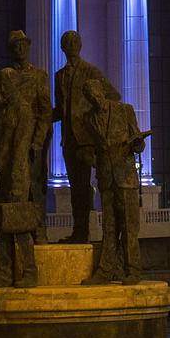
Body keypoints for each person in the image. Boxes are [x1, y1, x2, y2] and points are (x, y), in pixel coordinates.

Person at [0, 30, 51, 288]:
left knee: (20, 209)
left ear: (28, 46)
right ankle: (4, 273)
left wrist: (37, 143)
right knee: (2, 213)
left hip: (25, 152)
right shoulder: (5, 77)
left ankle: (29, 271)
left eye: (23, 45)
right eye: (15, 46)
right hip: (5, 150)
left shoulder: (38, 77)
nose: (20, 49)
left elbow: (45, 114)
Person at [53, 30, 119, 244]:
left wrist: (94, 118)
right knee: (76, 189)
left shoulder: (91, 71)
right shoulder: (60, 76)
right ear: (62, 47)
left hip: (88, 140)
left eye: (75, 42)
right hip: (69, 140)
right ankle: (79, 231)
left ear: (80, 46)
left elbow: (112, 96)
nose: (71, 46)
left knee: (92, 187)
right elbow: (61, 109)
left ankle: (94, 232)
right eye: (67, 43)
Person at [79, 78, 146, 284]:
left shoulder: (124, 110)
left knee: (128, 226)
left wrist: (136, 144)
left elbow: (139, 144)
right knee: (109, 226)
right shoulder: (88, 119)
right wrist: (91, 158)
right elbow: (89, 148)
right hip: (106, 178)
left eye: (97, 94)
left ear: (102, 91)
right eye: (91, 97)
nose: (95, 99)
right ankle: (106, 271)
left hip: (125, 177)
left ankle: (132, 271)